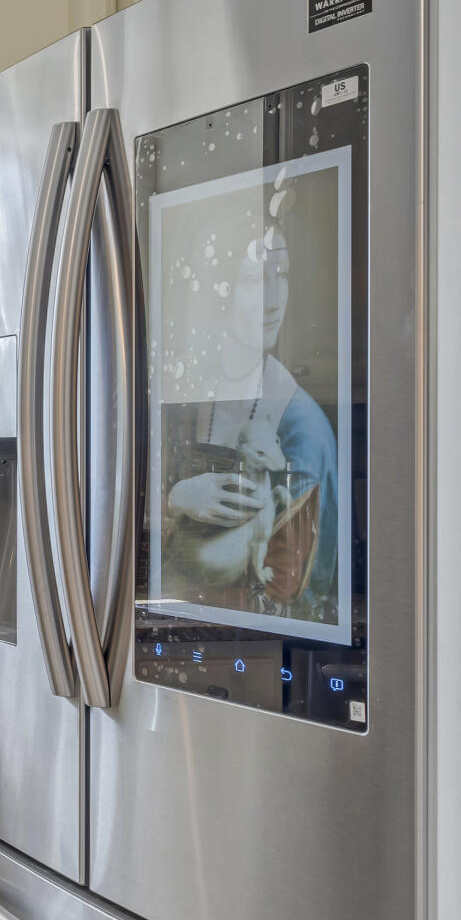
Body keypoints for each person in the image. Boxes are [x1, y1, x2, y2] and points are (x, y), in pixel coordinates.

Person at [161, 190, 339, 622]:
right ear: (218, 291)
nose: (275, 300)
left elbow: (291, 595)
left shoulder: (303, 429)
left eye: (283, 274)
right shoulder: (187, 396)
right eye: (256, 280)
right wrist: (178, 498)